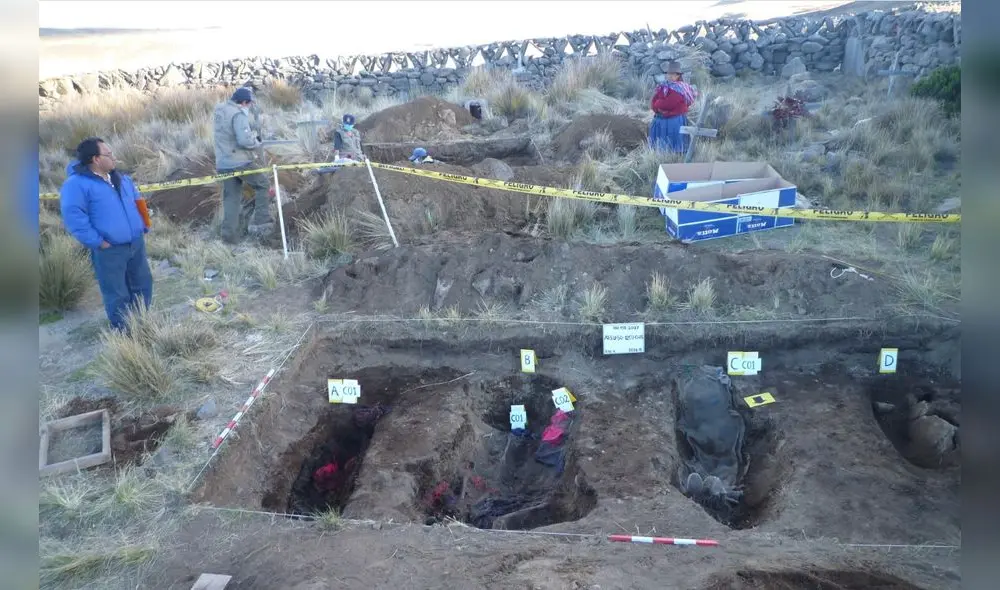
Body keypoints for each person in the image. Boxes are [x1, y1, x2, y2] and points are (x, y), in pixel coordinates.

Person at [60, 137, 153, 332]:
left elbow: (137, 201)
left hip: (135, 244)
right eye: (109, 154)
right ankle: (124, 332)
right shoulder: (76, 185)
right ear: (95, 159)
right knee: (117, 294)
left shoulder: (121, 178)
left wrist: (144, 224)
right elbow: (74, 217)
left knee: (142, 284)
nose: (114, 158)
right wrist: (98, 242)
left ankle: (142, 322)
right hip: (109, 250)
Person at [213, 87, 273, 244]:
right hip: (239, 162)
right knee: (263, 183)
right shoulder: (238, 114)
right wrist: (255, 142)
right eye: (248, 104)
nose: (249, 107)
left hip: (223, 162)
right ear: (244, 102)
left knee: (231, 198)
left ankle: (229, 237)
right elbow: (244, 140)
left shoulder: (220, 110)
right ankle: (262, 222)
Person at [649, 61, 698, 153]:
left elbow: (668, 104)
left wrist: (658, 104)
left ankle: (674, 156)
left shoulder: (679, 88)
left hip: (674, 119)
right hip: (661, 118)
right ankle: (659, 154)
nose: (671, 76)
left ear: (678, 75)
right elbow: (653, 101)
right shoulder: (663, 86)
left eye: (673, 74)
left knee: (673, 144)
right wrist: (656, 106)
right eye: (669, 73)